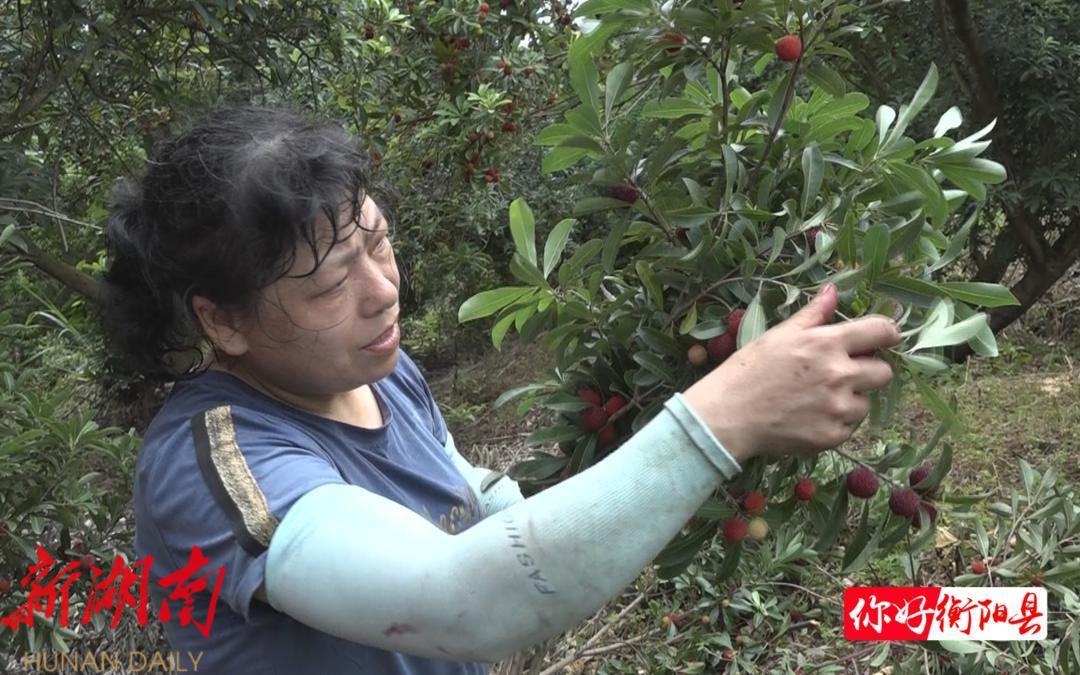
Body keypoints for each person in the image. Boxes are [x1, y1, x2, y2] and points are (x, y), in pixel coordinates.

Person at [98, 105, 901, 674]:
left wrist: (632, 494)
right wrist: (722, 417)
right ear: (224, 320)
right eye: (332, 284)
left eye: (380, 243)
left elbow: (465, 486)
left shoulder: (377, 370)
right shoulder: (215, 466)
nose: (384, 290)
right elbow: (457, 603)